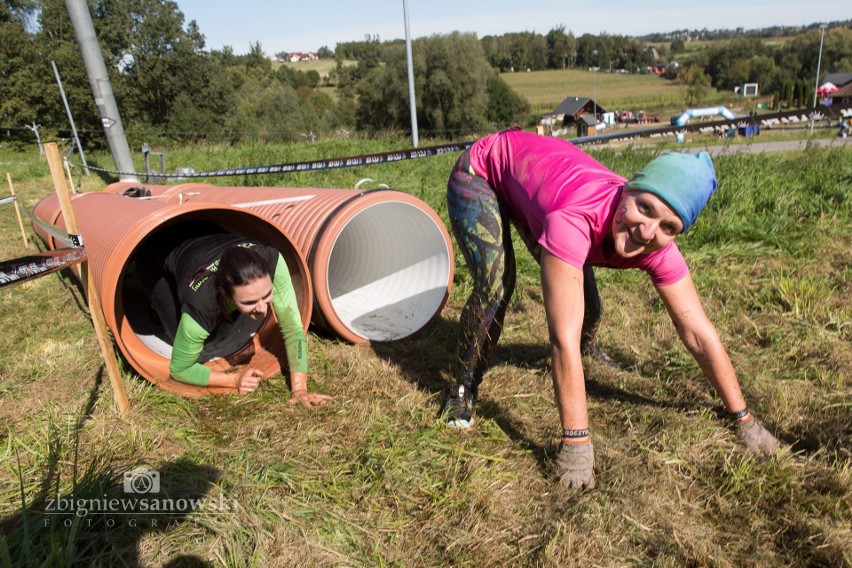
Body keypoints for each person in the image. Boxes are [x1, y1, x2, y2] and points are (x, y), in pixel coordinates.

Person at [441, 128, 781, 490]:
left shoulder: (658, 246)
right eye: (644, 208)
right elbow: (560, 337)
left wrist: (744, 419)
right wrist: (577, 445)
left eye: (668, 226)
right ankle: (462, 388)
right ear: (628, 189)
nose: (646, 231)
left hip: (537, 186)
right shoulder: (575, 218)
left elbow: (696, 330)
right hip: (482, 172)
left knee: (590, 304)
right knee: (496, 284)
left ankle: (589, 352)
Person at [151, 234, 331, 406]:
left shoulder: (272, 259)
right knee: (179, 334)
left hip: (207, 231)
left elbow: (292, 328)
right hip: (157, 252)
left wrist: (299, 390)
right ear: (225, 294)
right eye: (250, 302)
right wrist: (234, 379)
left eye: (267, 295)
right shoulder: (201, 305)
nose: (263, 309)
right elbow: (180, 369)